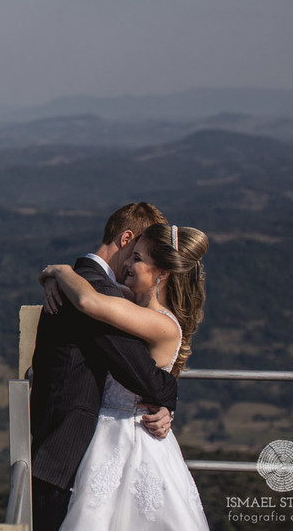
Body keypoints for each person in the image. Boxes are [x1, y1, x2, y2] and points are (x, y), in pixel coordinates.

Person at [39, 222, 210, 530]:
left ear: (162, 273)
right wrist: (52, 281)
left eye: (138, 259)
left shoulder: (162, 323)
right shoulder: (130, 302)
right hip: (106, 433)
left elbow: (89, 301)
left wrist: (60, 270)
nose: (128, 264)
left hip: (131, 438)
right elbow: (90, 290)